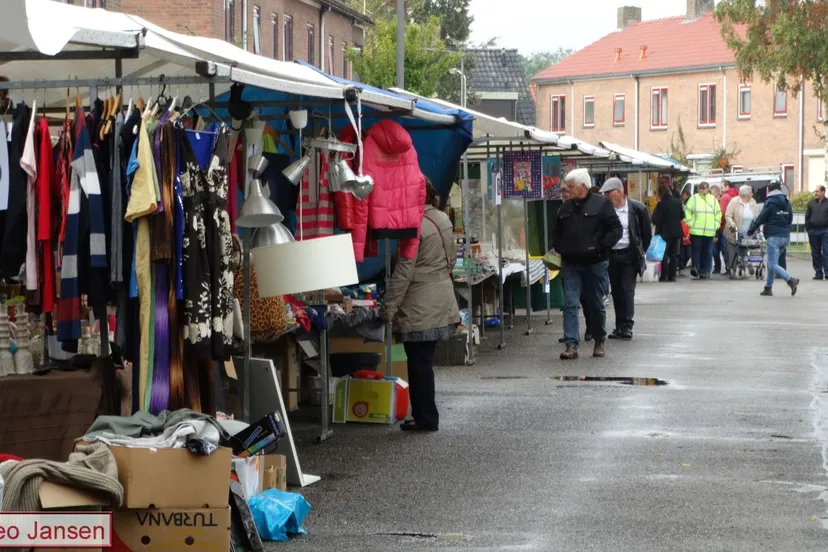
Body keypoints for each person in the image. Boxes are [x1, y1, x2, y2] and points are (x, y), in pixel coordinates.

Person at [379, 178, 459, 432]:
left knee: (418, 364)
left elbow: (403, 271)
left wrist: (388, 308)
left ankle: (425, 418)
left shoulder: (413, 227)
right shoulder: (442, 219)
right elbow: (452, 259)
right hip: (441, 299)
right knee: (424, 361)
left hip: (420, 305)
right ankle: (425, 415)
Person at [553, 168, 622, 360]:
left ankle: (599, 340)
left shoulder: (601, 204)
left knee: (595, 303)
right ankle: (571, 345)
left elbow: (616, 229)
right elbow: (556, 233)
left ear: (583, 186)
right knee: (570, 304)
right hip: (571, 263)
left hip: (595, 262)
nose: (568, 191)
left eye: (571, 187)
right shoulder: (564, 208)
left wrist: (601, 247)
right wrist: (560, 248)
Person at [600, 178, 651, 340]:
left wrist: (640, 251)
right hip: (612, 255)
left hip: (629, 255)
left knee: (627, 290)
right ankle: (619, 326)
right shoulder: (606, 210)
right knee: (616, 291)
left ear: (619, 192)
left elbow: (646, 234)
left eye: (608, 192)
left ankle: (627, 326)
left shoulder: (638, 209)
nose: (606, 196)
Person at [747, 179, 799, 297]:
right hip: (785, 236)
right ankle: (768, 287)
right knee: (772, 262)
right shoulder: (787, 202)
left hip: (773, 236)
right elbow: (790, 219)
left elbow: (762, 217)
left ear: (769, 190)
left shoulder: (770, 202)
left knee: (772, 263)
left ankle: (790, 280)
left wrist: (751, 229)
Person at [684, 182, 722, 279]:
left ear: (708, 189)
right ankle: (695, 267)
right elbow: (687, 212)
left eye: (704, 188)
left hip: (709, 231)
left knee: (706, 251)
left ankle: (704, 270)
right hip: (696, 231)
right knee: (696, 250)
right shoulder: (693, 199)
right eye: (700, 188)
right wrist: (690, 223)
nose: (702, 190)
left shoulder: (713, 199)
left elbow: (718, 213)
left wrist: (716, 225)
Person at [724, 185, 758, 279]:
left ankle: (744, 267)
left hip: (748, 232)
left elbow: (757, 216)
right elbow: (728, 215)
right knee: (733, 252)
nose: (752, 194)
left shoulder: (752, 202)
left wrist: (757, 226)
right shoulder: (734, 201)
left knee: (744, 250)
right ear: (746, 194)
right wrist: (732, 224)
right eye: (751, 193)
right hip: (734, 231)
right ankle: (733, 270)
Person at [652, 185, 685, 282]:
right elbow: (682, 215)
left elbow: (657, 219)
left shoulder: (661, 204)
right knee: (674, 254)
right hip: (676, 232)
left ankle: (664, 275)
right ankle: (672, 275)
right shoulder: (677, 202)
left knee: (664, 254)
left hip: (664, 233)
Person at [806, 185, 828, 279]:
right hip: (813, 231)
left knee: (826, 251)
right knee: (815, 253)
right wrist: (808, 229)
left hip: (825, 230)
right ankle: (818, 272)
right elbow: (807, 217)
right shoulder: (811, 203)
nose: (816, 193)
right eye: (815, 191)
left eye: (817, 191)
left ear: (823, 192)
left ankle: (827, 272)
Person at [717, 181, 739, 274]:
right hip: (737, 225)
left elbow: (722, 213)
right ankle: (735, 267)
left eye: (722, 187)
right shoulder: (737, 195)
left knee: (726, 249)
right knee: (735, 248)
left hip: (726, 226)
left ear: (727, 186)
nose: (721, 190)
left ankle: (729, 267)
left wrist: (719, 226)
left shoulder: (725, 196)